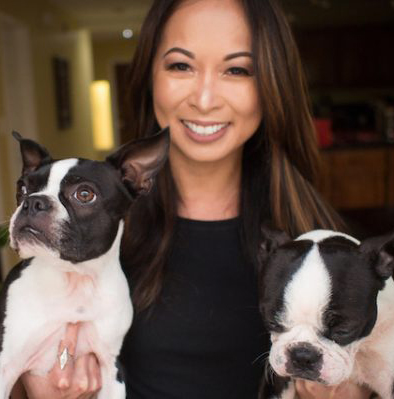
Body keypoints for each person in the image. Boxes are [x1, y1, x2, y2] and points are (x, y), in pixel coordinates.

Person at [12, 0, 373, 398]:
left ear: (272, 83)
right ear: (150, 75)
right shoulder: (89, 228)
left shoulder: (329, 247)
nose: (204, 99)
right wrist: (41, 386)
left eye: (236, 69)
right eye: (181, 66)